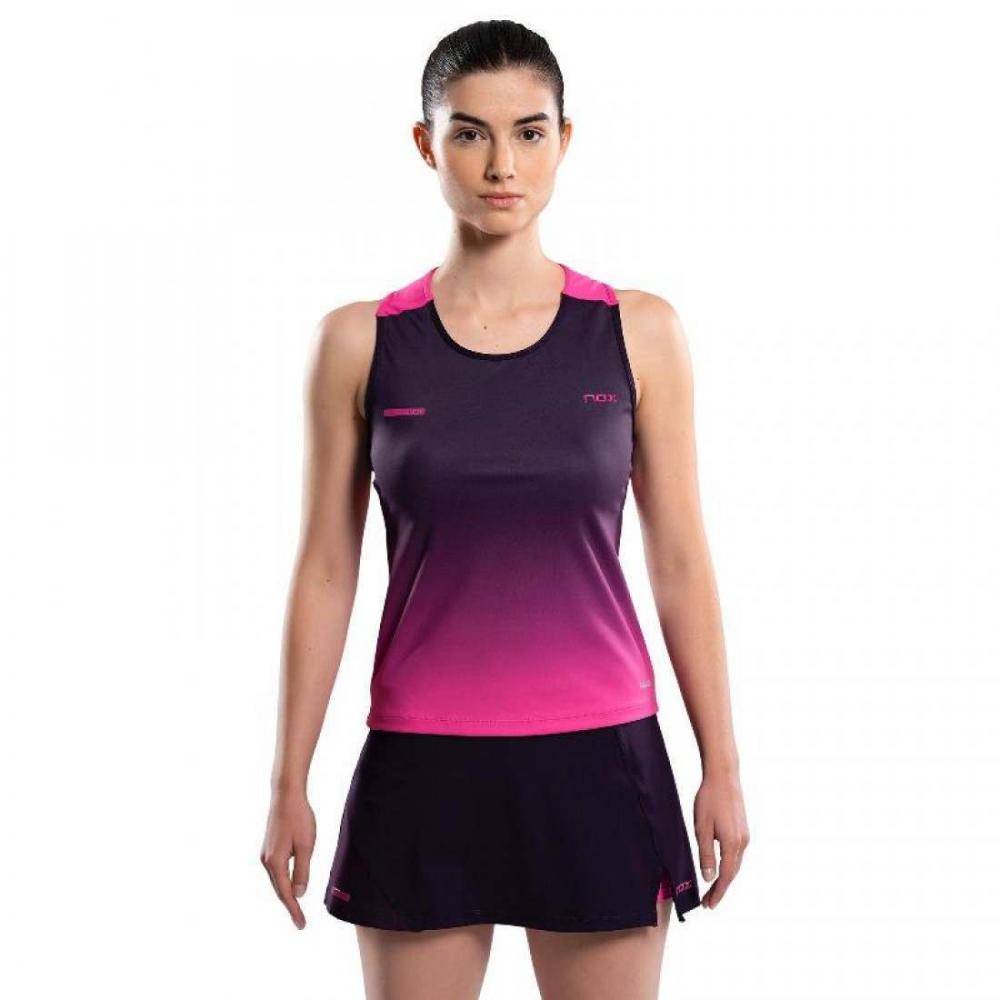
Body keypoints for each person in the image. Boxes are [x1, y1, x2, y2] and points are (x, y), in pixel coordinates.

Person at [260, 19, 749, 1000]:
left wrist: (722, 764)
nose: (501, 165)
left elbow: (680, 562)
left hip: (599, 757)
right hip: (422, 759)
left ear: (565, 140)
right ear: (425, 144)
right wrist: (288, 782)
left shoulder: (637, 332)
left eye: (528, 133)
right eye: (469, 134)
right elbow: (325, 569)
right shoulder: (359, 342)